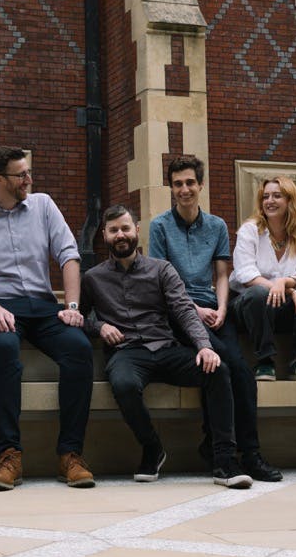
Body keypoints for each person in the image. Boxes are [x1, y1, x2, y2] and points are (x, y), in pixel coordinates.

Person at [0, 146, 95, 491]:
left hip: (44, 308)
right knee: (5, 350)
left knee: (79, 349)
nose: (29, 179)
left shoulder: (43, 205)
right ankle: (9, 456)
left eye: (28, 172)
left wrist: (72, 306)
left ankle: (71, 455)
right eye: (21, 175)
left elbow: (69, 255)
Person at [82, 205, 253, 488]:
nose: (120, 235)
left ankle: (224, 461)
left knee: (218, 370)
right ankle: (152, 448)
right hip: (127, 352)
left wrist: (204, 346)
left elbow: (184, 309)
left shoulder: (161, 269)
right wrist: (99, 326)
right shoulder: (93, 278)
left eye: (125, 228)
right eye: (113, 230)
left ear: (137, 231)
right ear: (105, 235)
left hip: (165, 347)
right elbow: (80, 318)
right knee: (124, 384)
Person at [148, 155, 283, 482]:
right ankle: (222, 449)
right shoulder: (159, 226)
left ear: (201, 185)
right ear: (170, 188)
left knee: (242, 372)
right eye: (177, 184)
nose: (184, 189)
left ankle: (248, 453)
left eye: (190, 183)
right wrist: (194, 310)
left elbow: (222, 275)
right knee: (220, 366)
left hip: (215, 311)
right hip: (178, 314)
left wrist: (222, 309)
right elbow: (161, 283)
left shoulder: (217, 226)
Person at [229, 176, 296, 381]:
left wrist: (285, 283)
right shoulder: (250, 230)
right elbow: (245, 273)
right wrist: (289, 290)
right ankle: (264, 361)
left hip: (286, 309)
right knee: (258, 293)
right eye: (265, 197)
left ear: (290, 201)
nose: (269, 201)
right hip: (249, 307)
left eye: (276, 196)